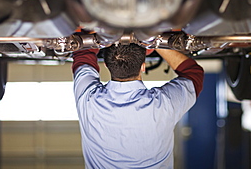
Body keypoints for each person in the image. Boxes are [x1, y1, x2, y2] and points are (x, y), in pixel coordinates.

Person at [72, 43, 204, 168]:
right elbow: (194, 74)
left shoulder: (89, 99)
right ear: (143, 66)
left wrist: (156, 42)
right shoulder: (90, 100)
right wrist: (154, 43)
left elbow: (84, 55)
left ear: (106, 65)